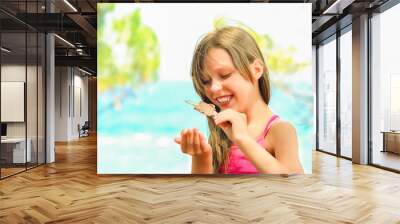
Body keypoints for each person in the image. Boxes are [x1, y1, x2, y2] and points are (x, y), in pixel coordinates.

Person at [174, 26, 304, 174]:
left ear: (256, 70)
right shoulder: (220, 136)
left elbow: (296, 184)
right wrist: (201, 157)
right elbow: (203, 193)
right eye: (205, 81)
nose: (214, 88)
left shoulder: (280, 131)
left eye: (225, 75)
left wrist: (243, 139)